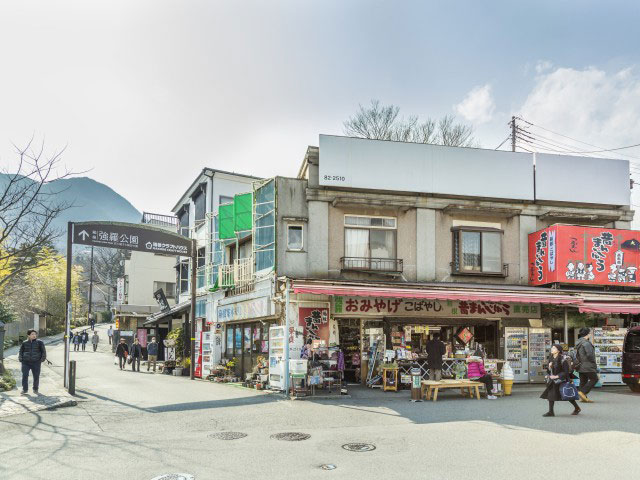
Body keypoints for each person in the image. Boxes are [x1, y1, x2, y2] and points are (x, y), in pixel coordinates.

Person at [540, 344, 581, 417]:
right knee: (550, 396)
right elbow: (549, 371)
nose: (552, 349)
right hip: (553, 381)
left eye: (554, 348)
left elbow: (566, 372)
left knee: (566, 395)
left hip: (561, 380)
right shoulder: (551, 358)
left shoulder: (563, 359)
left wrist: (556, 376)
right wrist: (549, 368)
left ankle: (577, 408)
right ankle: (551, 412)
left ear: (558, 350)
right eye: (552, 348)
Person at [18, 330, 47, 395]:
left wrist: (41, 360)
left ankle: (35, 389)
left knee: (36, 376)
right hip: (25, 362)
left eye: (35, 334)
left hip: (36, 362)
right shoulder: (24, 343)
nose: (34, 335)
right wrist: (20, 359)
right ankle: (25, 389)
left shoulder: (40, 342)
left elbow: (43, 352)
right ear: (28, 335)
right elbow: (21, 351)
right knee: (25, 375)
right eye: (32, 334)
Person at [575, 327, 598, 403]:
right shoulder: (586, 343)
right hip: (588, 365)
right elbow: (590, 355)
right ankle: (582, 392)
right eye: (590, 332)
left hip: (580, 365)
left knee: (583, 381)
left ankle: (583, 398)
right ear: (588, 334)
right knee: (594, 379)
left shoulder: (579, 342)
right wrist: (593, 363)